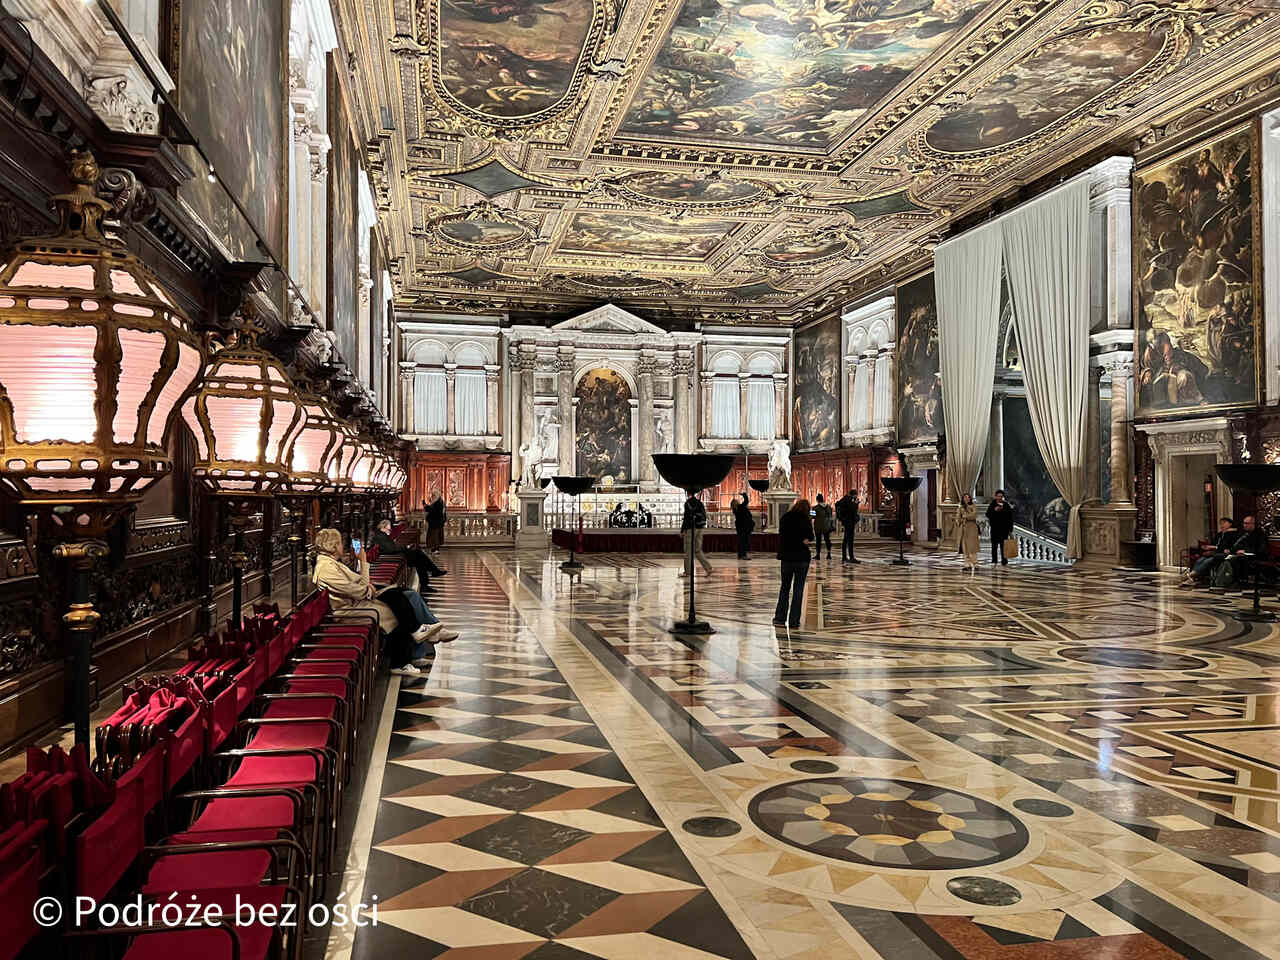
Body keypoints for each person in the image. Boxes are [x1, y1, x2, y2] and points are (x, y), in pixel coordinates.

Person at [313, 528, 450, 677]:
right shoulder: (326, 568)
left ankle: (412, 650)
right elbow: (356, 590)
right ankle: (400, 661)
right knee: (397, 610)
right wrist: (367, 585)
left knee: (399, 597)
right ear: (333, 546)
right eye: (340, 543)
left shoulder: (331, 563)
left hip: (356, 603)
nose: (343, 546)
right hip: (349, 611)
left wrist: (363, 562)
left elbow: (360, 582)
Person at [372, 518, 448, 594]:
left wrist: (404, 547)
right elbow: (391, 549)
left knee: (419, 557)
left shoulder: (381, 535)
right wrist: (405, 547)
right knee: (418, 556)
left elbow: (391, 547)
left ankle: (429, 578)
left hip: (394, 554)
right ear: (383, 527)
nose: (390, 532)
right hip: (389, 558)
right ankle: (432, 573)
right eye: (389, 530)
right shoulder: (380, 536)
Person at [774, 498, 814, 629]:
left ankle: (780, 618)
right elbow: (810, 537)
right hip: (802, 557)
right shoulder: (805, 519)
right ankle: (794, 621)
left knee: (784, 588)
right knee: (798, 589)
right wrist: (803, 540)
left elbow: (781, 534)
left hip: (787, 557)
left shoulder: (785, 517)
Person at [1184, 517, 1238, 585]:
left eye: (1224, 523)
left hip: (1223, 554)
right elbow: (1214, 543)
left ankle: (1193, 575)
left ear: (1230, 524)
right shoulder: (1219, 534)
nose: (1222, 525)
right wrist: (1208, 547)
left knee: (1208, 560)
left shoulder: (1233, 534)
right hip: (1215, 552)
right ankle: (1193, 576)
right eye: (1220, 523)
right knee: (1201, 559)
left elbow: (1226, 547)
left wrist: (1213, 547)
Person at [679, 492, 712, 577]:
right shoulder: (699, 503)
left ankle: (688, 572)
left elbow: (686, 518)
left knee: (688, 551)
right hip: (700, 528)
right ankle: (708, 568)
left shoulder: (688, 503)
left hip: (690, 528)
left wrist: (682, 530)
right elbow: (704, 515)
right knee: (698, 550)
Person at [986, 490, 1015, 565]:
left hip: (1004, 529)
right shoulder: (992, 504)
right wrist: (994, 510)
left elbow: (1010, 518)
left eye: (1001, 496)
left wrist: (1010, 530)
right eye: (998, 496)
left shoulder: (1006, 505)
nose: (999, 497)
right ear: (995, 496)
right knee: (994, 546)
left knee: (1004, 546)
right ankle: (994, 560)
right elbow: (987, 514)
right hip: (995, 528)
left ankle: (1004, 560)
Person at [956, 493, 980, 572]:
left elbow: (974, 515)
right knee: (964, 547)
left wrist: (965, 516)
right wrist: (958, 520)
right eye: (965, 497)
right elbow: (958, 517)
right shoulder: (960, 507)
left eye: (968, 497)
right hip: (963, 528)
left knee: (972, 546)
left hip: (972, 528)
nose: (966, 499)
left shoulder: (973, 506)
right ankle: (967, 563)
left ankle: (975, 563)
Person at [836, 489, 860, 564]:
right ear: (854, 494)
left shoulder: (844, 499)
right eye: (856, 495)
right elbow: (851, 510)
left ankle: (844, 557)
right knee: (850, 540)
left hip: (846, 521)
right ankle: (851, 557)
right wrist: (856, 504)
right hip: (849, 522)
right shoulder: (849, 500)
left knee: (846, 540)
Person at [732, 493, 755, 559]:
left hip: (740, 527)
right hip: (745, 527)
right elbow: (746, 501)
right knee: (744, 541)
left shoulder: (735, 509)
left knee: (741, 541)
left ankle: (740, 555)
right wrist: (744, 494)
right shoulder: (740, 507)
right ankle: (743, 555)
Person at [812, 493, 833, 560]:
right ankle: (829, 554)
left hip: (818, 526)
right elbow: (831, 516)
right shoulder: (829, 507)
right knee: (827, 540)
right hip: (827, 525)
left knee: (818, 540)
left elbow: (812, 516)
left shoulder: (814, 508)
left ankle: (818, 555)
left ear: (817, 500)